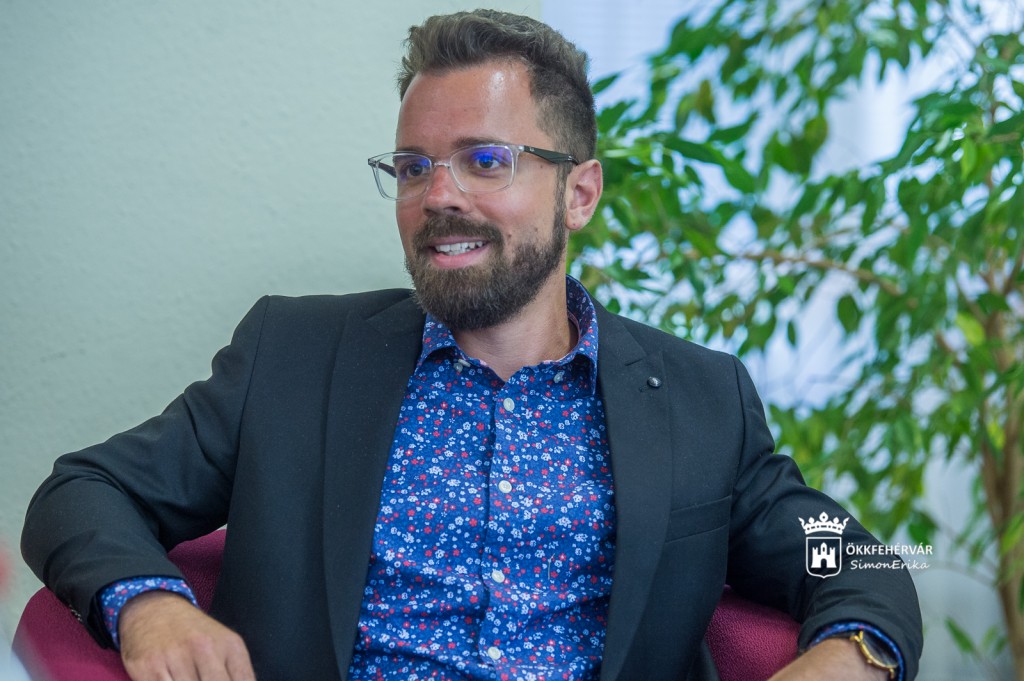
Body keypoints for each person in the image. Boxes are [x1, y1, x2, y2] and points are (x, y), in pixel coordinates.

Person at [22, 9, 923, 681]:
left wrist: (853, 654)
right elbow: (83, 491)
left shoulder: (698, 398)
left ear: (579, 193)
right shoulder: (293, 356)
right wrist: (150, 604)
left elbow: (855, 559)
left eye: (486, 160)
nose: (438, 195)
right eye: (413, 167)